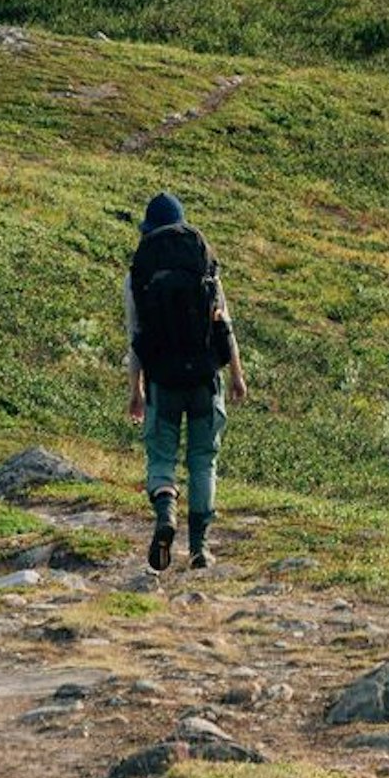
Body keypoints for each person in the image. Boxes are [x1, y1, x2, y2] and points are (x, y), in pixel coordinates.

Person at [125, 191, 250, 568]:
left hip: (162, 380)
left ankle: (166, 514)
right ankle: (200, 547)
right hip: (204, 379)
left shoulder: (138, 272)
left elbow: (136, 336)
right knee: (202, 459)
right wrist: (237, 376)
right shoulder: (204, 262)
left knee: (161, 456)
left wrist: (136, 390)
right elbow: (224, 324)